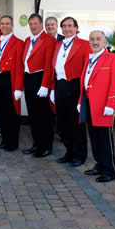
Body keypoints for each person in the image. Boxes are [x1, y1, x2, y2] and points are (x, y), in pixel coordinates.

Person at [48, 17, 91, 167]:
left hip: (75, 86)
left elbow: (87, 70)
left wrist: (83, 93)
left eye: (70, 26)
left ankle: (79, 155)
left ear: (76, 27)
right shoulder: (58, 45)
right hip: (60, 86)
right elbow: (54, 68)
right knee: (62, 123)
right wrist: (53, 88)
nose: (66, 29)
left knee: (76, 124)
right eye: (64, 26)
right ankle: (69, 152)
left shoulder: (85, 44)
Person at [79, 30, 115, 183]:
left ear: (104, 42)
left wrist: (111, 103)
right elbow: (84, 82)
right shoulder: (89, 59)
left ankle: (110, 170)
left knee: (104, 139)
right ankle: (99, 165)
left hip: (103, 106)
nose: (95, 42)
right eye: (92, 39)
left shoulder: (112, 59)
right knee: (94, 137)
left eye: (98, 39)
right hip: (89, 103)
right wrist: (80, 102)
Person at [21, 13, 56, 158]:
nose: (33, 26)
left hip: (41, 79)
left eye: (35, 23)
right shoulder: (28, 40)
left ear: (41, 25)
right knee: (33, 115)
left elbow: (49, 64)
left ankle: (46, 146)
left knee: (44, 116)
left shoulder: (49, 40)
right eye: (31, 24)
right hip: (29, 79)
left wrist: (45, 85)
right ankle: (36, 144)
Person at [0, 15, 23, 152]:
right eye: (2, 23)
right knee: (2, 113)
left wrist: (18, 88)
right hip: (0, 80)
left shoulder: (18, 42)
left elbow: (19, 67)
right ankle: (4, 140)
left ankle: (12, 143)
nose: (4, 26)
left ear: (12, 26)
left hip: (11, 80)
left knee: (12, 114)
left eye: (7, 23)